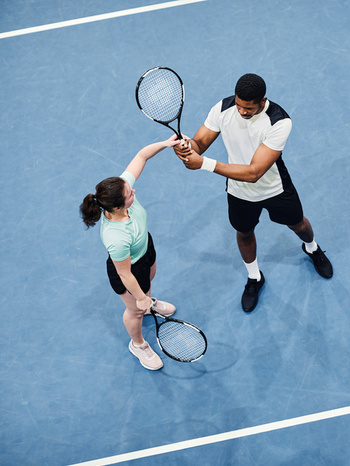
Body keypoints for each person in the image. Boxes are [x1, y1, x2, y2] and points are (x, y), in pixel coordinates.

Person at [174, 73, 332, 313]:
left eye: (248, 108)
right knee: (244, 232)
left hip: (275, 188)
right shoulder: (223, 108)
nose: (242, 112)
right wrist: (188, 148)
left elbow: (254, 172)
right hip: (239, 192)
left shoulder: (279, 122)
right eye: (239, 105)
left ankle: (312, 248)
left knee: (299, 224)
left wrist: (203, 163)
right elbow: (200, 143)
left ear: (262, 101)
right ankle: (254, 277)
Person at [80, 136, 179, 371]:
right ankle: (138, 344)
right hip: (129, 269)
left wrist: (165, 144)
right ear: (117, 207)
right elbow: (124, 275)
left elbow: (141, 156)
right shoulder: (116, 237)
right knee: (134, 310)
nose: (133, 190)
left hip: (145, 248)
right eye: (130, 194)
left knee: (149, 282)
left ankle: (149, 300)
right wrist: (141, 299)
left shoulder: (119, 193)